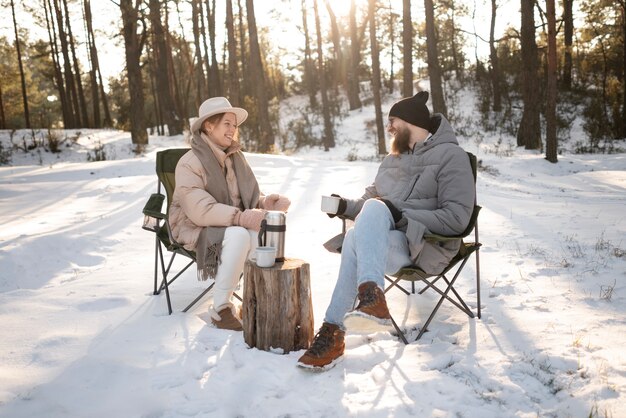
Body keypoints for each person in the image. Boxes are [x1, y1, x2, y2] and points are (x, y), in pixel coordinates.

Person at [297, 91, 475, 370]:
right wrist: (343, 206)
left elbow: (457, 219)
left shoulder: (452, 157)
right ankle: (363, 305)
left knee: (368, 223)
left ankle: (337, 331)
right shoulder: (393, 160)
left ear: (410, 121)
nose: (389, 128)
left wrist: (401, 216)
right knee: (359, 230)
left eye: (392, 121)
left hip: (427, 247)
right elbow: (369, 205)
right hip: (386, 244)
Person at [169, 97, 290, 331]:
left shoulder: (235, 157)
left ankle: (255, 301)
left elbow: (245, 197)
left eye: (235, 125)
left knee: (259, 236)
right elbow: (199, 210)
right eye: (227, 123)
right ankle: (221, 309)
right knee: (240, 236)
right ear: (208, 126)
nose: (233, 129)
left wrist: (266, 202)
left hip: (228, 223)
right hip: (193, 226)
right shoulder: (190, 163)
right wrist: (240, 218)